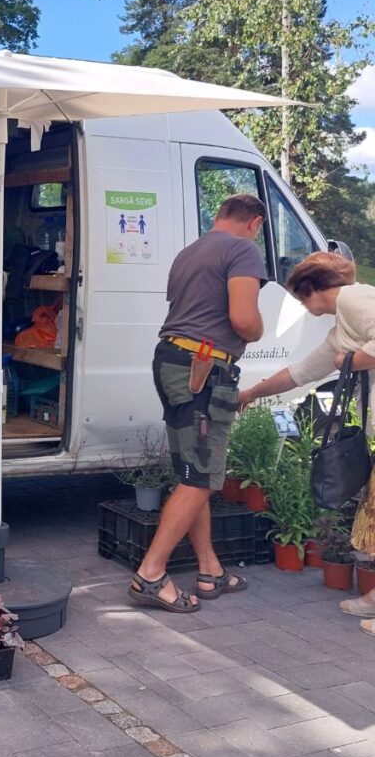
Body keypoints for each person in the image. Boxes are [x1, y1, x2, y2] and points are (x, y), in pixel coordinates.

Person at [129, 193, 267, 613]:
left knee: (193, 471)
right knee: (200, 477)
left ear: (219, 216)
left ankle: (209, 570)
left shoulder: (189, 253)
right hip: (202, 369)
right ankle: (150, 574)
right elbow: (244, 319)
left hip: (172, 361)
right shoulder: (243, 249)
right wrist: (258, 330)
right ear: (255, 223)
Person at [238, 251, 375, 634]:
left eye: (300, 297)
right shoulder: (342, 325)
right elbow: (300, 372)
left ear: (312, 288)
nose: (302, 305)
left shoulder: (353, 299)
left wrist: (349, 360)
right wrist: (251, 393)